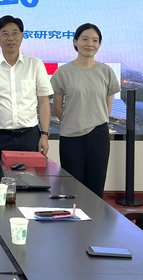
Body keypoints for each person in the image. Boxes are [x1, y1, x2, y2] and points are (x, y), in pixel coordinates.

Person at [50, 23, 120, 197]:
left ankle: (95, 216)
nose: (90, 44)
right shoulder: (63, 72)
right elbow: (57, 107)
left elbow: (107, 106)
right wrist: (73, 121)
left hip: (98, 135)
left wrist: (96, 120)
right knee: (72, 188)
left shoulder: (106, 71)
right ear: (75, 42)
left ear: (99, 44)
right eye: (85, 39)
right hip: (71, 136)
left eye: (95, 40)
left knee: (96, 185)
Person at [0, 15, 53, 154]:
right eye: (5, 34)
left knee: (31, 169)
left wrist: (44, 135)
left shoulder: (35, 64)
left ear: (22, 36)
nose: (10, 38)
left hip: (30, 137)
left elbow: (44, 102)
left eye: (15, 33)